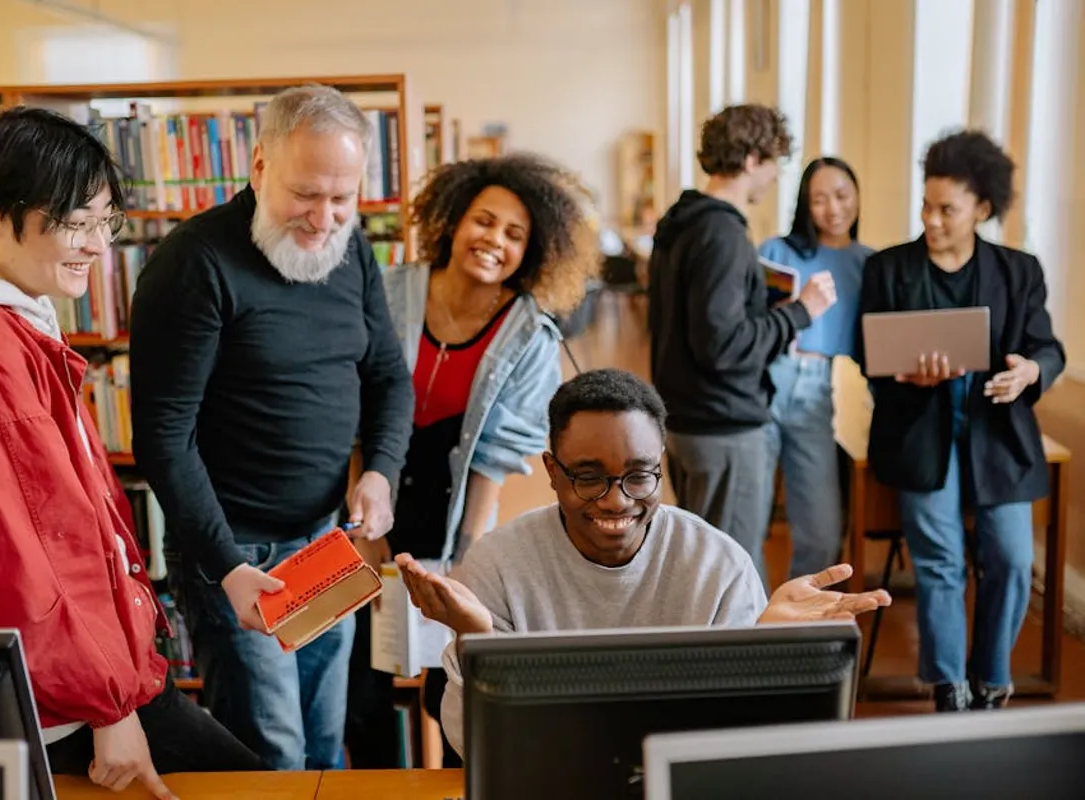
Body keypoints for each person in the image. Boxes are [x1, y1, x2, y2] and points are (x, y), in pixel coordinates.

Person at [0, 107, 264, 799]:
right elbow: (21, 555)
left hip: (60, 674)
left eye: (104, 222)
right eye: (74, 223)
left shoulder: (0, 316)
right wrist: (107, 706)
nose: (95, 245)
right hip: (45, 692)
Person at [127, 84, 415, 770]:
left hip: (324, 542)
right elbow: (163, 437)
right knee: (272, 755)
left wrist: (380, 471)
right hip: (236, 553)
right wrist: (225, 567)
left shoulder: (354, 252)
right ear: (258, 167)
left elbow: (388, 377)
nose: (324, 219)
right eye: (306, 195)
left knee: (324, 740)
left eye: (342, 199)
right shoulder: (194, 264)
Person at [394, 368, 891, 757]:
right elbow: (473, 745)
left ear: (661, 464)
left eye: (639, 476)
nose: (616, 502)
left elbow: (742, 742)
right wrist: (476, 639)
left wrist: (765, 645)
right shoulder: (497, 566)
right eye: (588, 477)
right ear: (552, 471)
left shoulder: (719, 566)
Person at [344, 153, 598, 768]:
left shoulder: (528, 334)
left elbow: (496, 455)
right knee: (360, 687)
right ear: (455, 221)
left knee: (446, 689)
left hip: (448, 509)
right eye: (484, 222)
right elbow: (355, 405)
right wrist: (362, 530)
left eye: (515, 235)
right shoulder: (389, 287)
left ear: (531, 252)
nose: (494, 242)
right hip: (361, 499)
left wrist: (469, 558)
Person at [855, 130, 1065, 712]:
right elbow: (869, 357)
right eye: (926, 204)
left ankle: (992, 680)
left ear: (983, 209)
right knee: (939, 563)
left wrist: (1028, 372)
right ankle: (950, 687)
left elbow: (1048, 349)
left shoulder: (1020, 272)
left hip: (997, 434)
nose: (932, 219)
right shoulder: (888, 269)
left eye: (947, 209)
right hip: (920, 432)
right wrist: (906, 376)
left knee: (1012, 559)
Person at [646, 104, 838, 584]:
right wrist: (800, 312)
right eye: (775, 163)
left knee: (706, 567)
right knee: (731, 577)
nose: (775, 178)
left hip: (685, 420)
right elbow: (723, 345)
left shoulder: (680, 221)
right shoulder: (724, 232)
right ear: (753, 159)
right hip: (724, 428)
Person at [758, 157, 873, 579]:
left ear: (858, 197)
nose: (833, 209)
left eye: (842, 196)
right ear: (805, 205)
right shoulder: (775, 251)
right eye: (819, 199)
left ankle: (797, 629)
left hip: (819, 390)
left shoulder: (869, 263)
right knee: (746, 527)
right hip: (763, 380)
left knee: (823, 534)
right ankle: (747, 630)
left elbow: (873, 346)